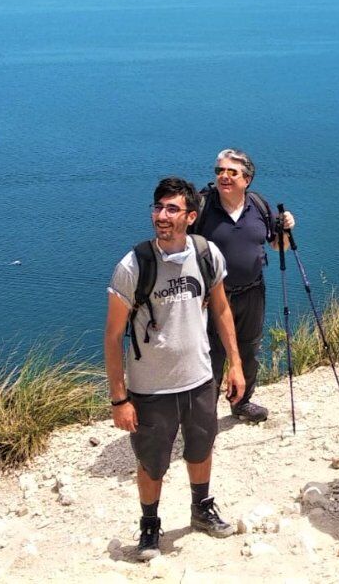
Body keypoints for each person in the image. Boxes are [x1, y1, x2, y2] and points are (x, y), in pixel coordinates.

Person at [104, 177, 246, 561]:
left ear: (191, 216)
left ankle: (202, 508)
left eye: (172, 209)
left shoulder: (206, 254)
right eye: (157, 207)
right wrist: (119, 399)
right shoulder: (133, 266)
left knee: (201, 447)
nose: (161, 216)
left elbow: (221, 309)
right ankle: (149, 525)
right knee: (152, 462)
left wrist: (235, 364)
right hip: (150, 388)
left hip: (199, 377)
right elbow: (113, 336)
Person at [191, 148, 295, 424]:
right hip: (212, 297)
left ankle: (242, 403)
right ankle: (204, 415)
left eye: (231, 172)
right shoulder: (201, 206)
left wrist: (286, 230)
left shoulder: (258, 205)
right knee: (211, 354)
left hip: (252, 290)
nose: (223, 176)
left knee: (249, 349)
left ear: (247, 179)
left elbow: (278, 245)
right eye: (219, 171)